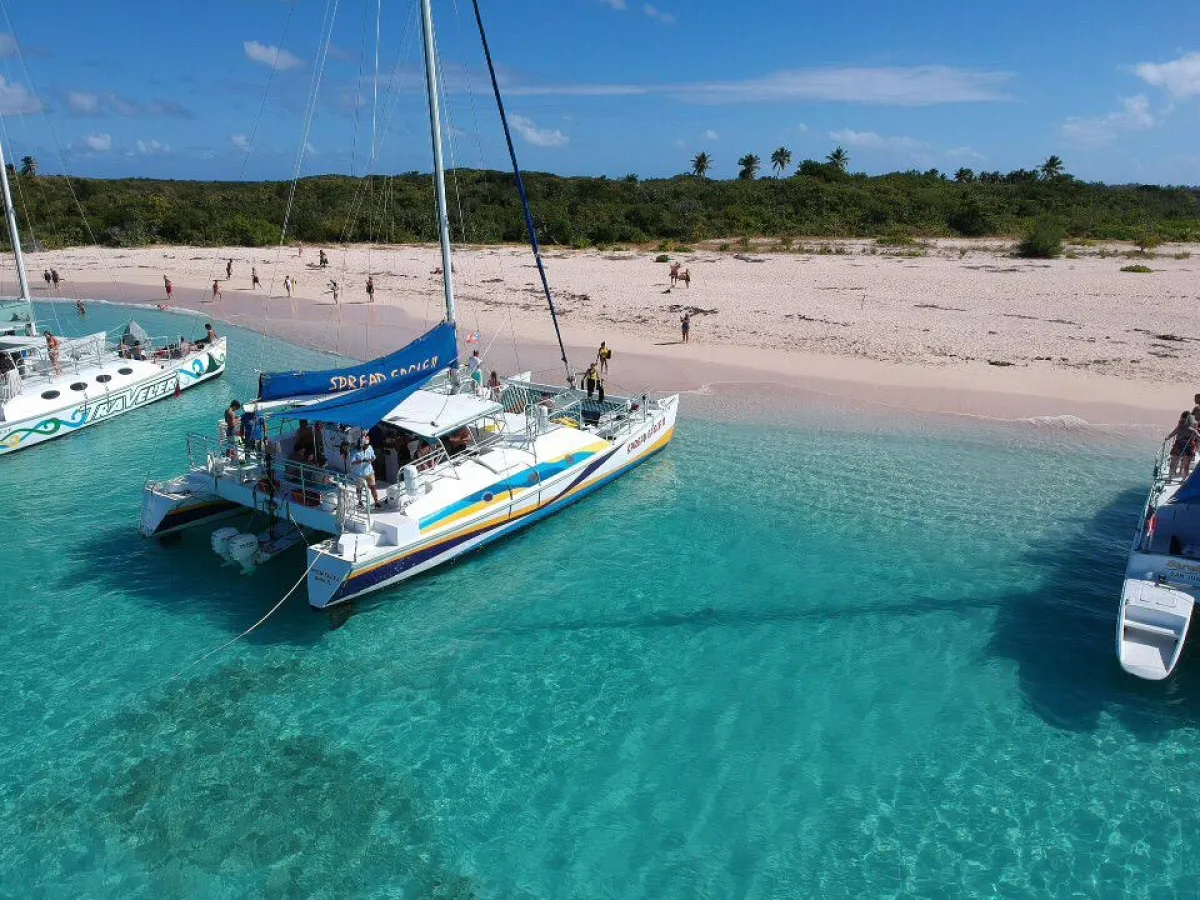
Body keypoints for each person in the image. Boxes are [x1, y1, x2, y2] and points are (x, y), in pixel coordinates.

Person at [350, 433, 381, 508]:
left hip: (369, 472)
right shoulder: (354, 451)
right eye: (365, 445)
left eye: (367, 445)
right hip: (359, 474)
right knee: (359, 488)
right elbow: (352, 462)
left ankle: (376, 502)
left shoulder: (369, 447)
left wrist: (373, 458)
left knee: (373, 487)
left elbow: (373, 456)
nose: (367, 446)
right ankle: (360, 502)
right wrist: (362, 461)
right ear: (361, 444)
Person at [1167, 411, 1200, 481]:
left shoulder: (1189, 426)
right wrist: (1168, 437)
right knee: (1179, 464)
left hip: (1185, 446)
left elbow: (1174, 432)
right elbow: (1174, 432)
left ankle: (1177, 479)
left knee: (1180, 464)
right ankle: (1175, 478)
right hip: (1183, 445)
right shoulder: (1182, 425)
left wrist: (1194, 432)